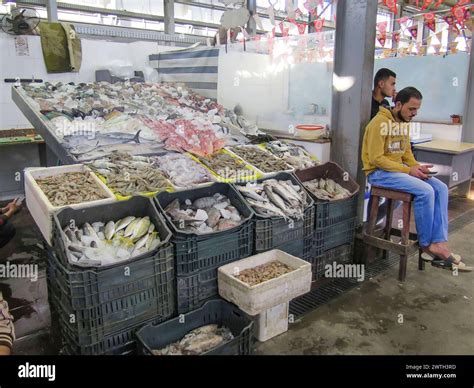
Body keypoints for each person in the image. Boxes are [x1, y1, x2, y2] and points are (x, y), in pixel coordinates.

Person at [362, 86, 471, 272]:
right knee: (425, 190)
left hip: (398, 172)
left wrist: (416, 167)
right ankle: (427, 244)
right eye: (411, 109)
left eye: (417, 109)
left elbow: (406, 153)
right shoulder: (378, 123)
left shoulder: (403, 124)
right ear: (398, 105)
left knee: (441, 188)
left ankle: (439, 242)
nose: (414, 113)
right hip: (379, 173)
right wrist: (408, 170)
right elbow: (376, 159)